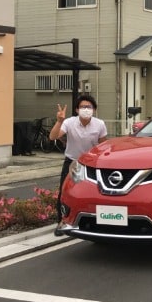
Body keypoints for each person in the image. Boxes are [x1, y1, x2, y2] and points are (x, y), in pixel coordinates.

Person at [49, 94, 107, 236]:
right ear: (76, 110)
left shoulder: (100, 124)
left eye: (89, 107)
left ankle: (95, 220)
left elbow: (103, 145)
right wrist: (59, 121)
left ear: (94, 110)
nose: (86, 109)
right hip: (72, 162)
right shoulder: (69, 122)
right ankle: (62, 221)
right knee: (65, 192)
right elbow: (53, 137)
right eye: (83, 107)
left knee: (95, 192)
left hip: (92, 164)